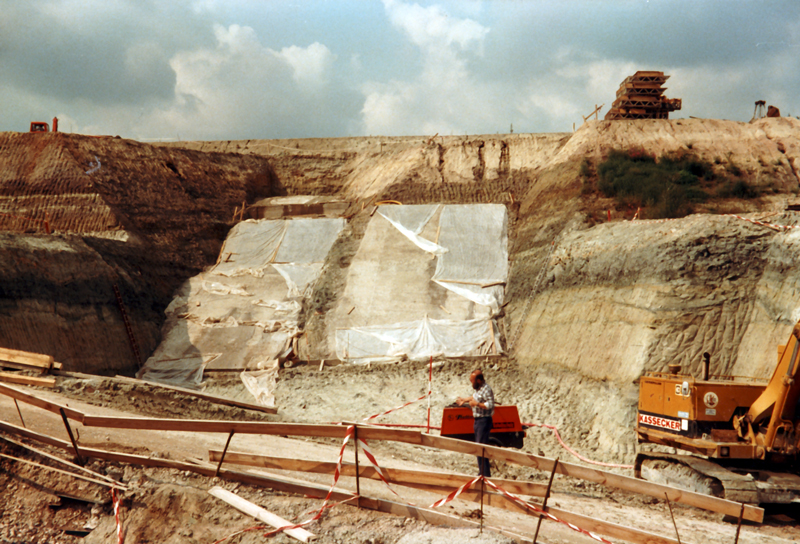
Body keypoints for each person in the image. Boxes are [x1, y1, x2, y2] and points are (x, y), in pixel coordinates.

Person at [456, 369, 495, 477]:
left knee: (481, 448)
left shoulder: (486, 389)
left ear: (478, 380)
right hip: (478, 421)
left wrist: (477, 404)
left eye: (472, 380)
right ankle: (482, 472)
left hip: (484, 421)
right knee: (478, 448)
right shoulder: (479, 389)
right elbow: (474, 397)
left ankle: (484, 474)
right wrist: (465, 399)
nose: (471, 383)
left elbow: (490, 405)